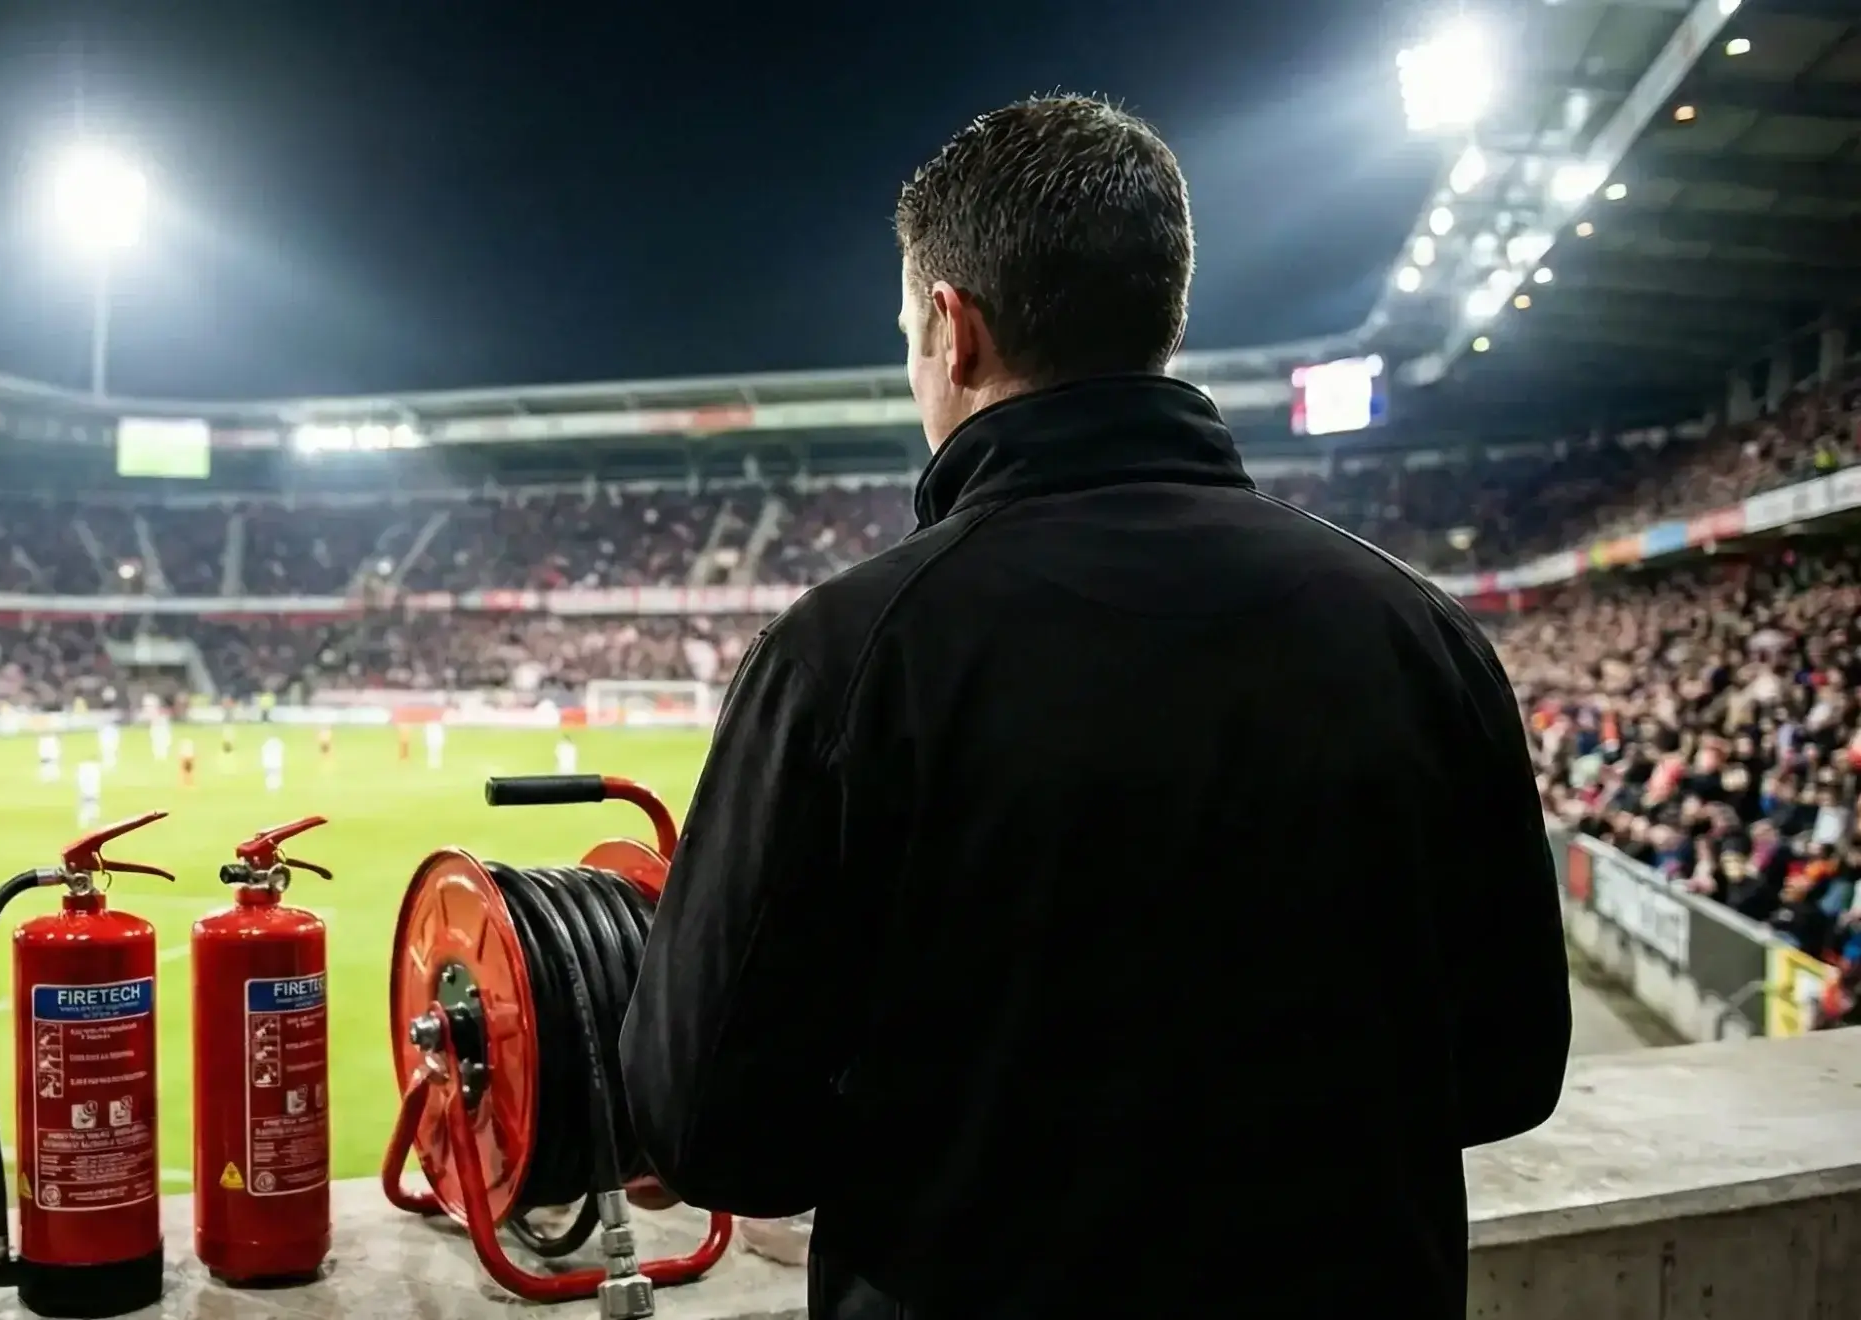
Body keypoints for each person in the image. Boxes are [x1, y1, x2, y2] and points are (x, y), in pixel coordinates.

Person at [616, 96, 1569, 1319]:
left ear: (952, 332)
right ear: (1159, 317)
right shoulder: (1422, 635)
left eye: (908, 330)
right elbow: (1506, 1072)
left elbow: (710, 1130)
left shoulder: (848, 656)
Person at [75, 758, 102, 829]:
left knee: (89, 804)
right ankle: (87, 820)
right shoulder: (91, 771)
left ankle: (89, 820)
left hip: (89, 793)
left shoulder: (85, 771)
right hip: (89, 793)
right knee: (89, 804)